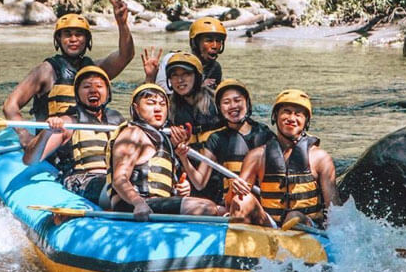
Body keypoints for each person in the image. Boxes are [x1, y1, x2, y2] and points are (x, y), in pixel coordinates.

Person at [4, 0, 133, 147]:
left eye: (79, 34)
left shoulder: (95, 69)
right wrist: (24, 134)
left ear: (87, 40)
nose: (73, 39)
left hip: (87, 143)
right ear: (59, 39)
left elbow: (125, 56)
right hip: (56, 144)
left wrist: (122, 23)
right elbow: (10, 105)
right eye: (67, 34)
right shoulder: (45, 71)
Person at [106, 83, 222, 221]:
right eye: (150, 103)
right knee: (205, 207)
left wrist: (178, 190)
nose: (157, 109)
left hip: (156, 203)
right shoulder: (132, 133)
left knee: (222, 210)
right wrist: (138, 203)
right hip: (132, 205)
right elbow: (119, 179)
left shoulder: (163, 140)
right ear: (136, 109)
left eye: (162, 104)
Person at [229, 89, 341, 228]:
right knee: (242, 201)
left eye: (298, 114)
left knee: (293, 216)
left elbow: (335, 210)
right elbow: (232, 203)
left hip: (307, 228)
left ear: (306, 121)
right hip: (270, 226)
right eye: (286, 112)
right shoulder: (257, 156)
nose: (291, 118)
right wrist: (233, 190)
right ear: (275, 116)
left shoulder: (320, 158)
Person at [22, 66, 124, 204]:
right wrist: (47, 132)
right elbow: (30, 160)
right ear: (77, 94)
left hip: (114, 179)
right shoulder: (69, 123)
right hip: (82, 180)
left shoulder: (118, 122)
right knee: (119, 189)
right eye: (86, 86)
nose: (93, 90)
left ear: (108, 93)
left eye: (99, 86)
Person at [174, 79, 274, 204]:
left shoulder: (264, 134)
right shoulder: (216, 139)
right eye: (226, 102)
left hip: (262, 203)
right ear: (219, 108)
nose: (233, 106)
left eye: (237, 100)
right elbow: (199, 182)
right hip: (232, 203)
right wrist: (183, 158)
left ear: (247, 103)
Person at [146, 17, 227, 92]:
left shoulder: (215, 68)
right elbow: (162, 96)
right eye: (209, 41)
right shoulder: (173, 60)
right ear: (195, 43)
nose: (215, 46)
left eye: (218, 41)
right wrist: (150, 77)